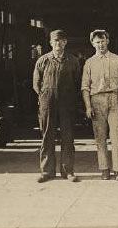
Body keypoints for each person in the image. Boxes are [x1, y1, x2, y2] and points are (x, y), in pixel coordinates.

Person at [32, 29, 82, 183]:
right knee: (47, 136)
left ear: (65, 42)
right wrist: (45, 96)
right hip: (48, 102)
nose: (58, 43)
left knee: (68, 137)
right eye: (55, 41)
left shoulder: (73, 60)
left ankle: (68, 171)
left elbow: (77, 82)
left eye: (61, 40)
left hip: (67, 103)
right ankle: (47, 171)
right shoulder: (43, 60)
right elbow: (36, 83)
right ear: (50, 43)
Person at [81, 29, 118, 181]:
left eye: (103, 41)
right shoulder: (89, 63)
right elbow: (85, 87)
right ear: (92, 43)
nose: (100, 44)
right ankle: (104, 168)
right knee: (100, 137)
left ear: (107, 41)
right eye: (97, 42)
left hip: (115, 99)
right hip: (96, 101)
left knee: (117, 136)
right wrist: (88, 106)